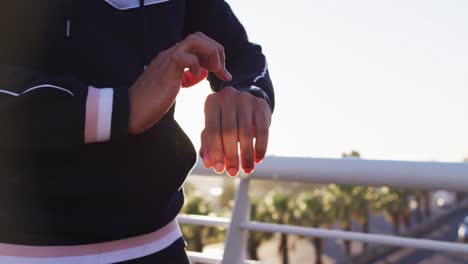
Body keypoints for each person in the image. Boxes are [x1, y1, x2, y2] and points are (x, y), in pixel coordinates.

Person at [0, 0, 274, 263]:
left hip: (160, 245)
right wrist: (123, 107)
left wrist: (246, 92)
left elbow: (242, 55)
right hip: (19, 250)